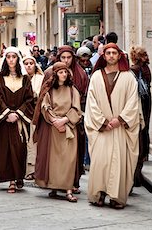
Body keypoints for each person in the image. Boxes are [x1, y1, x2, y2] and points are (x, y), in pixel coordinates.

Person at [85, 43, 140, 209]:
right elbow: (91, 102)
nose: (110, 55)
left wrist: (121, 119)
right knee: (100, 162)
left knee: (118, 162)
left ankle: (116, 197)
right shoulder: (96, 76)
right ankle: (99, 194)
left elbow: (133, 102)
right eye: (107, 53)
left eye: (113, 53)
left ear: (119, 56)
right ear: (103, 56)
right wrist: (102, 122)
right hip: (102, 129)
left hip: (120, 128)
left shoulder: (128, 77)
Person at [33, 62, 81, 202]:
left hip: (69, 128)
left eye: (65, 72)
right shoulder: (49, 91)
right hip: (52, 129)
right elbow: (45, 107)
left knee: (68, 160)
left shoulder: (73, 90)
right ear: (55, 74)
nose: (64, 75)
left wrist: (64, 120)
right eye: (61, 72)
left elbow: (77, 109)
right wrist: (54, 121)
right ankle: (54, 186)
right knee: (53, 161)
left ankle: (68, 190)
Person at [0, 47, 34, 193]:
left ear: (18, 59)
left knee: (19, 149)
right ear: (5, 59)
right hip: (5, 121)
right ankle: (10, 180)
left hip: (19, 121)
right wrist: (7, 114)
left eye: (14, 57)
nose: (11, 59)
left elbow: (30, 100)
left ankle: (18, 177)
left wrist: (18, 113)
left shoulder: (25, 79)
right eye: (8, 57)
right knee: (6, 150)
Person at [57, 45, 89, 194]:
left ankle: (73, 182)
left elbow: (84, 97)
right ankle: (57, 182)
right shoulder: (52, 72)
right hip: (56, 120)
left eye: (68, 57)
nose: (66, 60)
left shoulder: (81, 74)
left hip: (76, 119)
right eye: (63, 58)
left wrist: (73, 116)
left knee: (75, 153)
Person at [130, 46, 151, 188]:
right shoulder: (146, 68)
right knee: (144, 131)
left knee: (138, 135)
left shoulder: (134, 69)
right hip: (147, 101)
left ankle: (136, 175)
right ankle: (142, 160)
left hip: (139, 102)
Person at [22, 55, 44, 180]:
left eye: (31, 63)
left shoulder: (40, 79)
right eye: (26, 63)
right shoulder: (20, 78)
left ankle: (35, 170)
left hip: (37, 113)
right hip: (23, 113)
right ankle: (25, 170)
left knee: (34, 141)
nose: (29, 65)